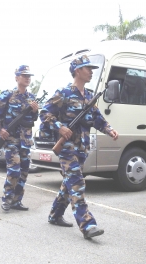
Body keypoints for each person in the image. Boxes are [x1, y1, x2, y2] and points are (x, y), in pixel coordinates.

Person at [39, 55, 118, 239]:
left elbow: (97, 119)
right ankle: (87, 225)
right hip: (66, 147)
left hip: (82, 147)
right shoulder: (64, 93)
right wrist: (60, 127)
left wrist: (110, 129)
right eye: (87, 68)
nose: (91, 72)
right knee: (77, 183)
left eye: (91, 69)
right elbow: (45, 113)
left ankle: (55, 215)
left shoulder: (89, 96)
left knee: (69, 184)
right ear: (77, 71)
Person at [0, 65, 39, 211]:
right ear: (17, 77)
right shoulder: (8, 95)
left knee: (23, 171)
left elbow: (32, 119)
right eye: (24, 75)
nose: (27, 78)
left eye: (29, 76)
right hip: (11, 139)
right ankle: (7, 199)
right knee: (14, 170)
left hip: (26, 140)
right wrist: (0, 129)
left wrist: (35, 111)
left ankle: (17, 201)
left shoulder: (32, 98)